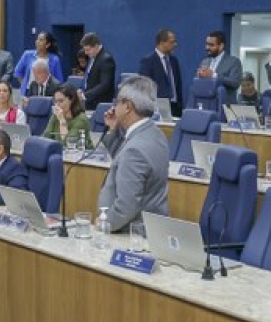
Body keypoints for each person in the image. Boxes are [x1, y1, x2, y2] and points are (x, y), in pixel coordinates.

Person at [97, 75, 169, 232]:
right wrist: (113, 130)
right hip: (151, 228)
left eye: (117, 102)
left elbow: (126, 206)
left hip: (129, 234)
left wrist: (104, 224)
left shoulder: (135, 150)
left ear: (128, 107)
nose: (114, 107)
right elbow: (123, 161)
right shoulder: (155, 134)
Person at [138, 29, 183, 117]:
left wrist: (180, 106)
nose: (175, 45)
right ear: (162, 43)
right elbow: (144, 87)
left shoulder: (174, 61)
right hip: (158, 109)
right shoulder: (148, 61)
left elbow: (178, 86)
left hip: (175, 108)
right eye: (172, 42)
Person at [195, 30, 243, 104]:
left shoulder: (234, 62)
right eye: (207, 44)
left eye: (211, 45)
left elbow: (235, 82)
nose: (207, 48)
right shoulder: (204, 61)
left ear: (221, 46)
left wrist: (214, 75)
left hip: (225, 106)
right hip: (207, 104)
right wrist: (199, 77)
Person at [14, 31, 65, 95]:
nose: (37, 41)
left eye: (41, 40)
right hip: (28, 91)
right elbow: (18, 72)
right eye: (37, 39)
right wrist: (24, 85)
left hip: (47, 92)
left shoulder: (54, 59)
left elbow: (59, 79)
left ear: (47, 44)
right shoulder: (27, 55)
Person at [43, 83, 92, 148]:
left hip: (83, 156)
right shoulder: (55, 116)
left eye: (61, 101)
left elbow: (69, 144)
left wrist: (62, 121)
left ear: (71, 100)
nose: (57, 105)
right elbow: (45, 137)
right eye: (56, 101)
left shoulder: (81, 119)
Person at [80, 32, 116, 110]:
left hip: (99, 104)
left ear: (96, 46)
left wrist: (85, 95)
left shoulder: (106, 59)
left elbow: (104, 85)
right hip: (90, 102)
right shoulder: (93, 58)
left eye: (88, 50)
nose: (86, 53)